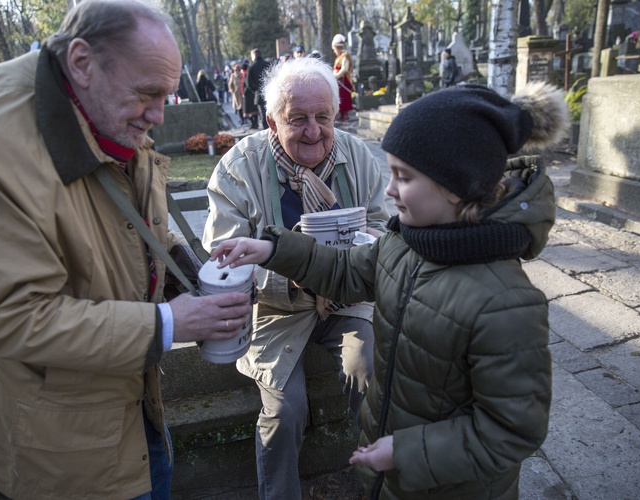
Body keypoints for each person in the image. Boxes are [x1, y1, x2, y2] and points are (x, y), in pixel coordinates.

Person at [0, 1, 252, 498]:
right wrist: (172, 324)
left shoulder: (103, 103)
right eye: (148, 95)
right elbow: (13, 317)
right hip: (61, 441)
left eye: (166, 95)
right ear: (81, 62)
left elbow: (124, 214)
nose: (158, 116)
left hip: (131, 399)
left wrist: (182, 262)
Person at [209, 82, 569, 499]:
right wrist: (273, 249)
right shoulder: (406, 243)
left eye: (403, 177)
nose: (389, 190)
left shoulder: (507, 304)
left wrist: (405, 451)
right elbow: (345, 269)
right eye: (391, 173)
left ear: (455, 187)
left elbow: (513, 429)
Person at [202, 56, 390, 499]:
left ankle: (382, 486)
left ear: (336, 113)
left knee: (373, 374)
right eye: (297, 119)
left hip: (347, 300)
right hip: (274, 310)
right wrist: (289, 280)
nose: (313, 131)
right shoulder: (238, 167)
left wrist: (364, 249)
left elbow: (384, 227)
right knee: (286, 413)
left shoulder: (356, 156)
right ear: (271, 121)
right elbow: (223, 258)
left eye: (323, 117)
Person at [244, 48, 270, 130]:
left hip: (259, 94)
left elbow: (248, 83)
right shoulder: (267, 64)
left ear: (253, 56)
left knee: (263, 115)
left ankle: (266, 133)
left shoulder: (251, 67)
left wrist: (255, 90)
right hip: (270, 92)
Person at [331, 34, 354, 121]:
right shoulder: (338, 58)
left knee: (344, 97)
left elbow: (344, 69)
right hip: (339, 81)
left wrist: (336, 76)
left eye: (335, 49)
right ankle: (341, 113)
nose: (334, 51)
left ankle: (345, 114)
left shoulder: (345, 56)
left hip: (344, 80)